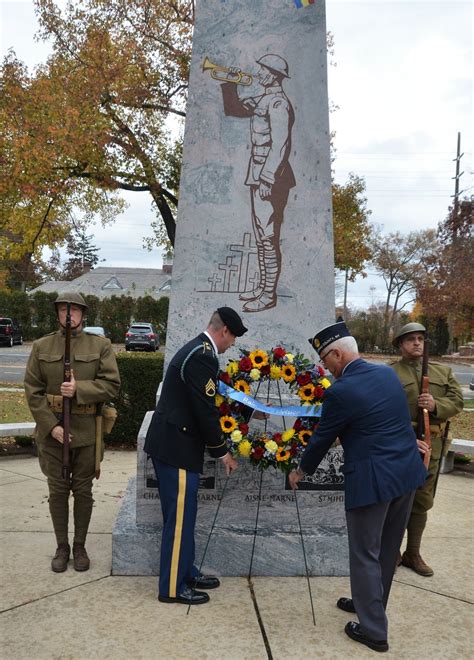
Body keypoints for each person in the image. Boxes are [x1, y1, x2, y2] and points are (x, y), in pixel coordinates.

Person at [289, 320, 427, 653]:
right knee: (386, 547)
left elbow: (323, 437)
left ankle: (374, 631)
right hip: (406, 475)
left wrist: (300, 471)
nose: (326, 368)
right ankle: (370, 605)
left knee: (365, 553)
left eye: (326, 361)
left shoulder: (341, 391)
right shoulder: (385, 374)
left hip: (373, 480)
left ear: (337, 353)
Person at [144, 307, 247, 605]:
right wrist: (223, 452)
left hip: (177, 446)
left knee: (184, 518)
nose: (233, 343)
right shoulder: (203, 354)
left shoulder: (200, 351)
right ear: (224, 330)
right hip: (176, 449)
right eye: (234, 336)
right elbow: (205, 409)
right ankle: (173, 588)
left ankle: (185, 570)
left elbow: (209, 395)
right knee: (178, 522)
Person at [24, 292, 120, 572]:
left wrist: (81, 389)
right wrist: (50, 426)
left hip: (87, 431)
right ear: (57, 313)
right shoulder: (42, 346)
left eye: (74, 309)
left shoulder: (99, 345)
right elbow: (32, 390)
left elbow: (112, 384)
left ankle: (79, 545)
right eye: (64, 309)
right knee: (57, 491)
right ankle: (61, 546)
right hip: (52, 432)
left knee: (83, 490)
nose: (69, 314)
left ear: (83, 313)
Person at [221, 54, 295, 312]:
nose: (259, 73)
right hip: (259, 171)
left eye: (263, 70)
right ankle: (263, 287)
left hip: (272, 176)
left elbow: (281, 144)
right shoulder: (265, 99)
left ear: (274, 74)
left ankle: (268, 295)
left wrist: (267, 178)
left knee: (269, 237)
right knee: (261, 236)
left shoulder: (278, 104)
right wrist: (228, 82)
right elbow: (234, 109)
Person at [390, 323, 464, 577]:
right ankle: (392, 552)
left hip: (431, 446)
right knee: (396, 498)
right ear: (400, 345)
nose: (417, 343)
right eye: (410, 339)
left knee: (421, 500)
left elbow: (457, 402)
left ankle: (413, 552)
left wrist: (435, 405)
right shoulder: (390, 374)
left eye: (420, 338)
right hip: (400, 445)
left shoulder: (442, 371)